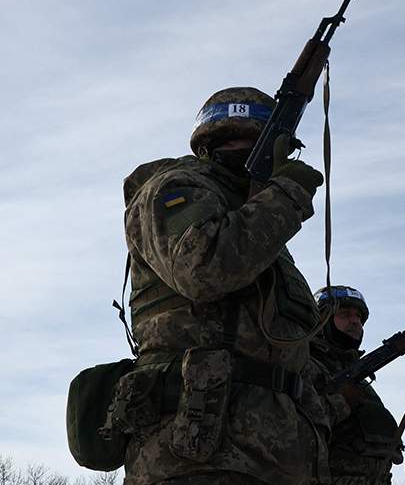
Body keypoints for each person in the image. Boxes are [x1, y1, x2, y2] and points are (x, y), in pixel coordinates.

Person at [114, 87, 330, 484]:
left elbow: (289, 348)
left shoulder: (255, 226)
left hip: (280, 459)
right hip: (201, 454)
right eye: (234, 140)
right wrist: (287, 195)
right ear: (211, 144)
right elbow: (201, 269)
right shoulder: (174, 186)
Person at [305, 285, 403, 485]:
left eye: (358, 316)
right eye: (345, 314)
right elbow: (292, 426)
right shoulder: (304, 365)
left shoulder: (359, 379)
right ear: (321, 319)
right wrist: (340, 401)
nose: (355, 321)